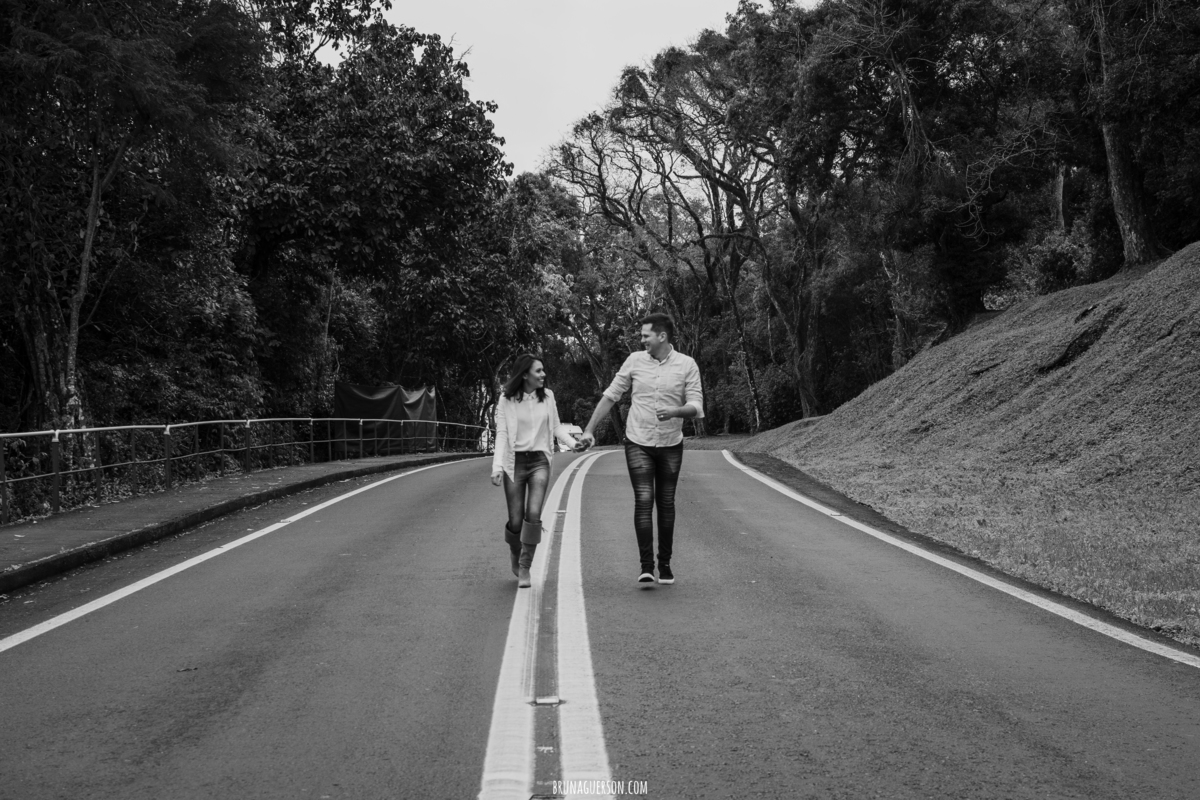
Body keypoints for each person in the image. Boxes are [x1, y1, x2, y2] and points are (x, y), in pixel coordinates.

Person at [578, 313, 704, 585]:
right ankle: (646, 566)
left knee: (666, 503)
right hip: (638, 441)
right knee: (644, 499)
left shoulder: (687, 365)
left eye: (646, 336)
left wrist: (675, 411)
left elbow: (696, 405)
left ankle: (665, 565)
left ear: (662, 336)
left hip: (671, 443)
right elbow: (611, 395)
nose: (642, 340)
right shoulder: (634, 361)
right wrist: (589, 430)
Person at [492, 354, 584, 588]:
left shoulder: (548, 396)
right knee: (515, 521)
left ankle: (525, 566)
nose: (543, 375)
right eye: (538, 371)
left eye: (543, 370)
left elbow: (556, 427)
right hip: (514, 462)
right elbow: (502, 433)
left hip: (539, 461)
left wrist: (574, 443)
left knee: (533, 514)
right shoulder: (506, 399)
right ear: (525, 375)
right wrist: (497, 466)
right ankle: (515, 550)